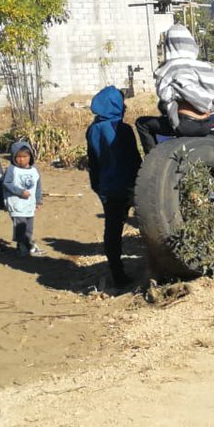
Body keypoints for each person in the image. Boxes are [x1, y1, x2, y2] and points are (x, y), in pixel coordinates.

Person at [135, 24, 214, 154]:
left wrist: (179, 95)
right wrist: (213, 105)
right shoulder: (205, 67)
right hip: (206, 123)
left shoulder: (169, 67)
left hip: (184, 124)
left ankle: (154, 157)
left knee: (142, 123)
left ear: (169, 45)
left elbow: (164, 95)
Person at [86, 85, 142, 288]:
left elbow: (93, 161)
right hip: (127, 185)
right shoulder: (123, 130)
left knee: (112, 229)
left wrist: (97, 186)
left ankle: (117, 272)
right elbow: (134, 159)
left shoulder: (92, 130)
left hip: (106, 187)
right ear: (115, 105)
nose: (125, 107)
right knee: (145, 222)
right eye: (122, 103)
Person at [1, 139, 44, 257]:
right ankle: (21, 245)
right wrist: (20, 192)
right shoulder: (12, 169)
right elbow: (6, 183)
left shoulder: (34, 171)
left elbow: (37, 187)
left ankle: (28, 243)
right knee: (20, 226)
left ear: (30, 156)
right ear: (14, 157)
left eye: (24, 157)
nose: (21, 159)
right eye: (18, 157)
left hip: (29, 205)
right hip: (16, 204)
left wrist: (38, 201)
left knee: (29, 227)